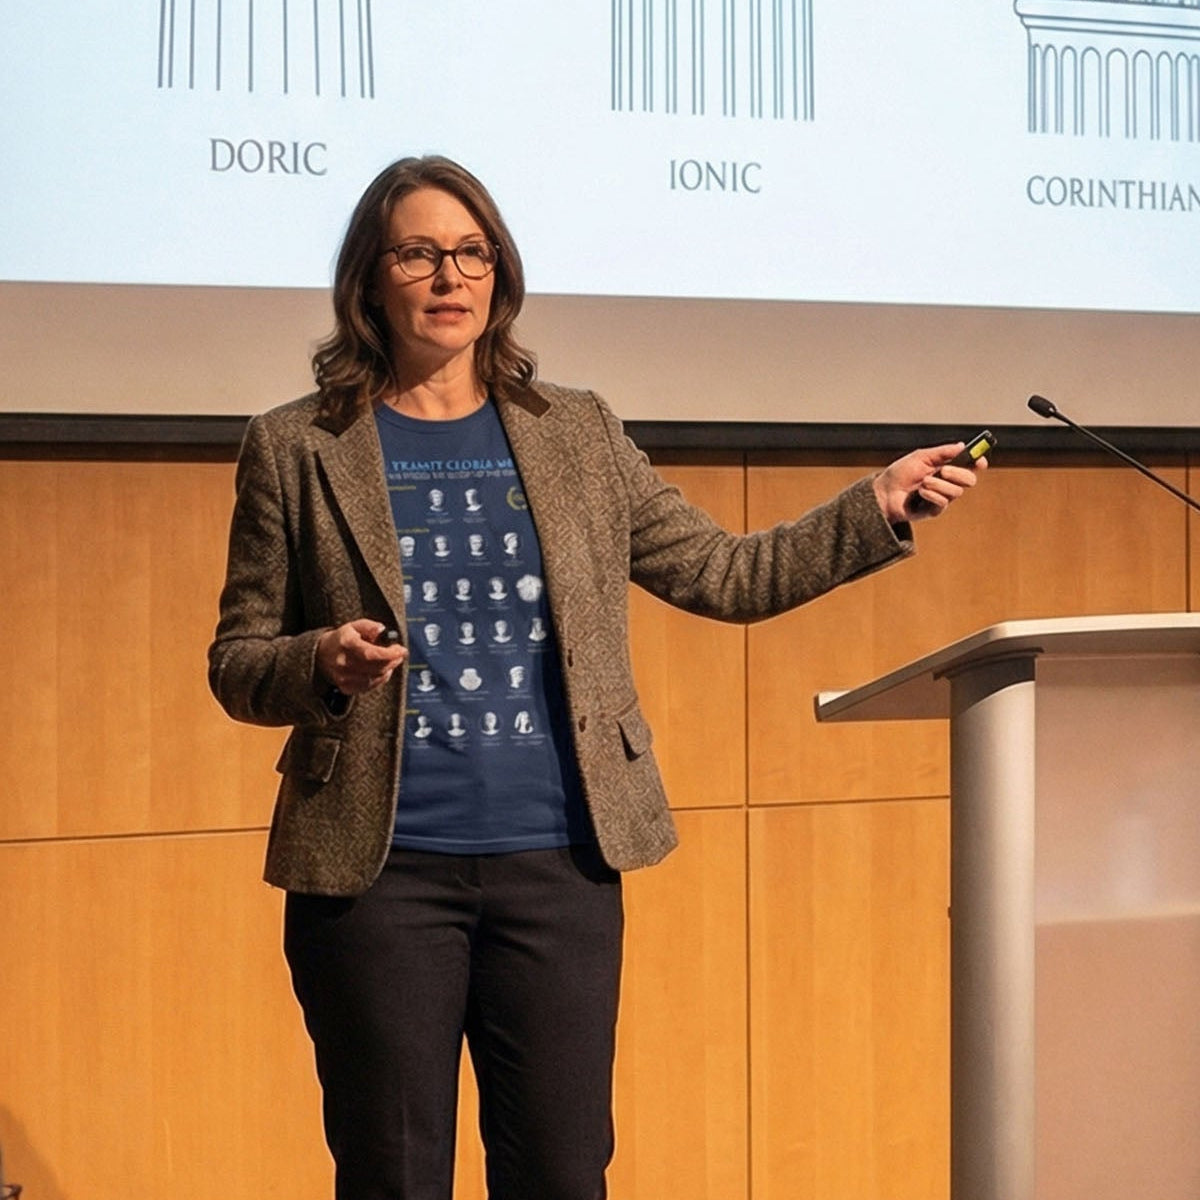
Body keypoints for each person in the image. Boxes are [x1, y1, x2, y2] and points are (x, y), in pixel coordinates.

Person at [207, 154, 985, 1200]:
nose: (450, 275)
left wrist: (875, 507)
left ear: (500, 273)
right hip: (377, 876)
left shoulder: (574, 432)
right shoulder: (296, 445)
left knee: (565, 1175)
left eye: (472, 251)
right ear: (370, 280)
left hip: (560, 867)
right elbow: (239, 662)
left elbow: (724, 572)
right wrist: (323, 663)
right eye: (420, 253)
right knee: (394, 1176)